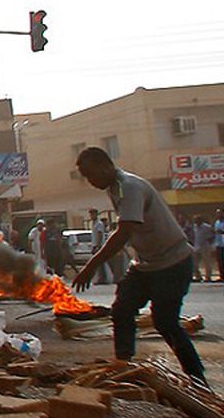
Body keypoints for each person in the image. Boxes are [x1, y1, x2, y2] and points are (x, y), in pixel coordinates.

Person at [71, 147, 206, 386]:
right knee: (122, 310)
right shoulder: (115, 188)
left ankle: (197, 378)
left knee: (165, 322)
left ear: (105, 166)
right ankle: (124, 365)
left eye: (92, 175)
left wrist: (92, 265)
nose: (91, 182)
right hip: (146, 264)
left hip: (172, 262)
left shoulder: (129, 186)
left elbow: (124, 231)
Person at [192, 213, 217, 282]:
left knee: (207, 263)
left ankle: (208, 277)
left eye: (197, 220)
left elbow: (213, 234)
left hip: (205, 247)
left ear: (201, 220)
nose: (195, 221)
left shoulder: (207, 227)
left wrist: (210, 242)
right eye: (195, 220)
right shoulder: (195, 227)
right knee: (194, 263)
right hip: (197, 247)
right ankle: (198, 276)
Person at [89, 208, 112, 284]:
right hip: (95, 245)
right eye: (91, 214)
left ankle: (103, 279)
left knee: (100, 263)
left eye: (93, 214)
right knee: (98, 264)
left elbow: (100, 234)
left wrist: (98, 246)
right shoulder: (94, 224)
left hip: (98, 245)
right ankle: (100, 278)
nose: (92, 216)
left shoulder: (99, 224)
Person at [212, 209, 224, 281]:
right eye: (217, 213)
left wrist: (222, 232)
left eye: (220, 213)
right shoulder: (217, 222)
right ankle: (222, 276)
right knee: (220, 261)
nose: (218, 215)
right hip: (218, 244)